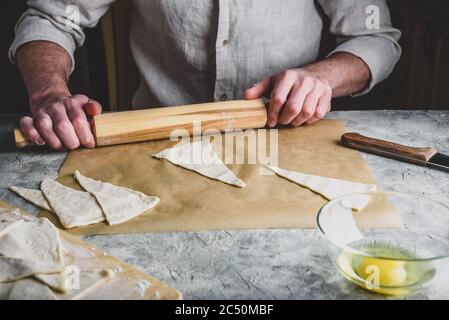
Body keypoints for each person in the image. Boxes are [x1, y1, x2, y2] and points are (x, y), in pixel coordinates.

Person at [10, 0, 401, 151]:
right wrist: (49, 94)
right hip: (154, 146)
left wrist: (324, 77)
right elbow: (49, 18)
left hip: (288, 140)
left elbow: (376, 39)